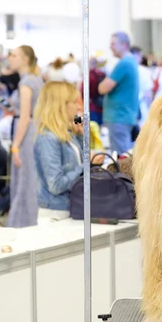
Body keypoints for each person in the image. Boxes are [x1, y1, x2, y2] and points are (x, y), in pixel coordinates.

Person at [33, 82, 104, 224]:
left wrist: (80, 135)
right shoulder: (48, 138)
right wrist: (87, 164)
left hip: (71, 208)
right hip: (56, 214)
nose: (78, 107)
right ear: (61, 106)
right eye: (73, 102)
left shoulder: (67, 134)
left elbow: (79, 163)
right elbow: (56, 185)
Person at [6, 45, 44, 228]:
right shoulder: (35, 80)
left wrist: (15, 146)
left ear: (25, 59)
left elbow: (25, 117)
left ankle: (23, 224)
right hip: (33, 133)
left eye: (14, 55)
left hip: (26, 135)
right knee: (29, 180)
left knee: (25, 181)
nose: (10, 58)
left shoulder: (26, 83)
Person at [98, 32, 139, 155]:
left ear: (124, 45)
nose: (111, 47)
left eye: (113, 44)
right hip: (123, 116)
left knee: (121, 159)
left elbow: (103, 88)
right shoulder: (130, 62)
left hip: (119, 117)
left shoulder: (124, 64)